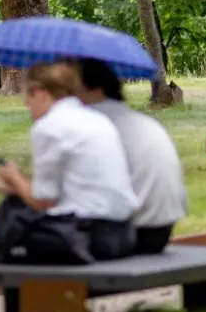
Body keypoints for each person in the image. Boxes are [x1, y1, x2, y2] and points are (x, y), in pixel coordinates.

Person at [0, 61, 138, 312]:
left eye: (26, 95)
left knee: (14, 216)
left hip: (88, 240)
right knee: (15, 211)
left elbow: (41, 201)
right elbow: (58, 194)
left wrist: (13, 177)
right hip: (122, 234)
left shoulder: (50, 127)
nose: (26, 104)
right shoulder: (92, 119)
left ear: (40, 92)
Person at [79, 59, 186, 254]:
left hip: (130, 234)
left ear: (93, 89)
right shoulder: (139, 121)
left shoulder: (96, 124)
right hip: (162, 229)